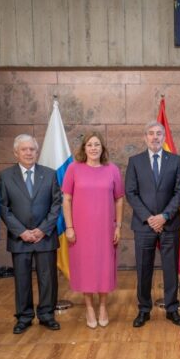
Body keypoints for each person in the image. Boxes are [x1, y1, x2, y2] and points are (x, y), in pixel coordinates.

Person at [125, 121, 180, 328]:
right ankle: (144, 310)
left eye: (159, 134)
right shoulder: (135, 161)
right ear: (145, 137)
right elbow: (131, 193)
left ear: (164, 137)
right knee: (144, 269)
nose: (155, 137)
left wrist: (165, 216)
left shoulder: (176, 160)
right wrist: (150, 218)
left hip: (169, 224)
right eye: (151, 134)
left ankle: (172, 309)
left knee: (171, 268)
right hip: (144, 225)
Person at [0, 134, 62, 334]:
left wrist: (42, 229)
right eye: (24, 149)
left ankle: (47, 315)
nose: (28, 153)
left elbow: (56, 204)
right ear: (16, 152)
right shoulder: (6, 176)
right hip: (20, 238)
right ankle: (24, 317)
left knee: (48, 278)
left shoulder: (50, 174)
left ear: (37, 151)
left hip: (45, 236)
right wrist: (22, 231)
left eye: (32, 149)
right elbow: (3, 207)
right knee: (22, 278)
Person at [62, 132, 124, 329]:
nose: (94, 148)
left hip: (106, 228)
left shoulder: (112, 169)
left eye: (97, 145)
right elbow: (67, 199)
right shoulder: (73, 168)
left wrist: (118, 226)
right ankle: (89, 307)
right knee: (86, 268)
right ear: (84, 148)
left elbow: (119, 199)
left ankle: (103, 306)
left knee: (104, 268)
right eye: (90, 145)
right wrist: (69, 227)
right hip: (81, 229)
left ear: (102, 148)